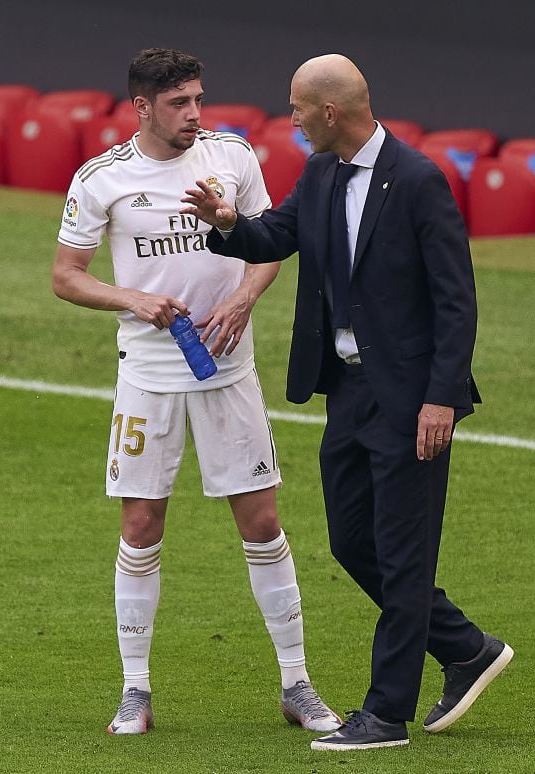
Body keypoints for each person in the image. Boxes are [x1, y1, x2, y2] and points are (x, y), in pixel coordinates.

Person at [182, 53, 512, 751]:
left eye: (298, 108)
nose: (292, 119)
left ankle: (385, 714)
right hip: (350, 393)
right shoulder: (321, 173)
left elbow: (458, 302)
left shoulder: (420, 181)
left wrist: (440, 399)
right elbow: (278, 235)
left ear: (331, 112)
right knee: (352, 541)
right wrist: (228, 221)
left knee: (403, 554)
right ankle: (466, 648)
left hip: (411, 400)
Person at [51, 48, 341, 737]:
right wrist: (132, 299)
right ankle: (134, 690)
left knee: (263, 522)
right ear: (142, 107)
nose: (194, 115)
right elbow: (66, 275)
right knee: (140, 525)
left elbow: (269, 244)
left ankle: (297, 682)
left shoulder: (232, 157)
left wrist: (242, 299)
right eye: (179, 103)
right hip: (148, 377)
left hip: (230, 372)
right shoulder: (103, 179)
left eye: (198, 100)